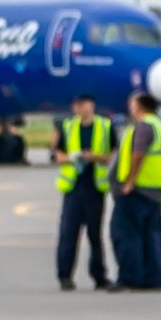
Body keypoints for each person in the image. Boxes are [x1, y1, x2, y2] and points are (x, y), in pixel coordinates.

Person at [111, 86, 161, 289]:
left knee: (125, 233)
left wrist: (129, 181)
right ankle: (156, 277)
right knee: (153, 234)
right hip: (156, 189)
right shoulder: (159, 125)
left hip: (138, 189)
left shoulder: (143, 126)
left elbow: (138, 153)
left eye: (132, 104)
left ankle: (130, 277)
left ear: (139, 106)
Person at [52, 96, 115, 290]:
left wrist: (95, 157)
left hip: (95, 187)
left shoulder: (105, 126)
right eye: (76, 105)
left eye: (83, 104)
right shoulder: (68, 126)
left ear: (92, 105)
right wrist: (72, 158)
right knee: (68, 235)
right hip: (73, 187)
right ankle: (65, 276)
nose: (79, 108)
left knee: (95, 236)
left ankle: (99, 276)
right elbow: (58, 154)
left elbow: (115, 154)